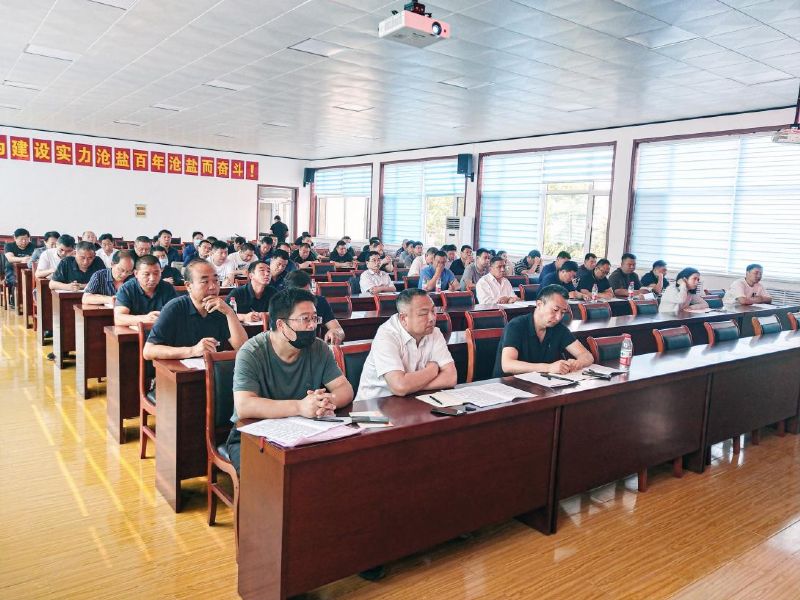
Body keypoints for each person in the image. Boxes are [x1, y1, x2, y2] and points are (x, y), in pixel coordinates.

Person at [226, 287, 354, 472]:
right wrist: (300, 407)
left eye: (314, 318)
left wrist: (323, 402)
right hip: (252, 435)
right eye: (305, 319)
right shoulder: (251, 352)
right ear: (281, 325)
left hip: (304, 429)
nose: (312, 325)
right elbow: (244, 406)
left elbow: (344, 389)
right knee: (267, 478)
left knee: (338, 466)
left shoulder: (318, 348)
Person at [356, 288, 456, 401]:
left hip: (411, 401)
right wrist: (432, 371)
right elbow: (399, 386)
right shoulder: (386, 335)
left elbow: (450, 377)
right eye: (423, 313)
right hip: (374, 405)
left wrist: (411, 387)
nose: (432, 318)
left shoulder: (434, 332)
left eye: (433, 311)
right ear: (403, 318)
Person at [143, 259, 247, 360]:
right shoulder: (174, 308)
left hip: (213, 369)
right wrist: (193, 350)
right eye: (205, 282)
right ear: (188, 286)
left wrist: (229, 312)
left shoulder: (221, 308)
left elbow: (243, 348)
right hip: (179, 370)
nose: (213, 286)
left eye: (216, 280)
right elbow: (149, 351)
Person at [494, 284, 593, 377]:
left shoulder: (558, 328)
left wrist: (578, 363)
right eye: (555, 310)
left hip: (541, 383)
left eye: (563, 312)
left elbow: (587, 356)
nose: (558, 317)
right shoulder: (516, 326)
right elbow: (507, 365)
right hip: (509, 384)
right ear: (539, 304)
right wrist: (548, 368)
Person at [114, 254, 177, 326]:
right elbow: (118, 319)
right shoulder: (127, 289)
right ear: (136, 274)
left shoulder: (167, 288)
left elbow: (176, 313)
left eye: (156, 273)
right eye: (146, 274)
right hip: (135, 331)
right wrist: (145, 318)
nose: (152, 278)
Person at [285, 270, 345, 344]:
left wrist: (336, 332)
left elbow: (338, 329)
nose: (305, 297)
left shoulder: (320, 302)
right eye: (300, 294)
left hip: (314, 346)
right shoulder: (281, 304)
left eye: (308, 293)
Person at [4, 228, 34, 305]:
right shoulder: (9, 246)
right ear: (15, 238)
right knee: (16, 281)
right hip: (12, 271)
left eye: (26, 239)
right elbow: (10, 259)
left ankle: (30, 302)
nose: (24, 241)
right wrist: (23, 259)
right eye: (21, 239)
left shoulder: (33, 246)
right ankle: (15, 300)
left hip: (29, 271)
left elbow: (36, 258)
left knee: (33, 282)